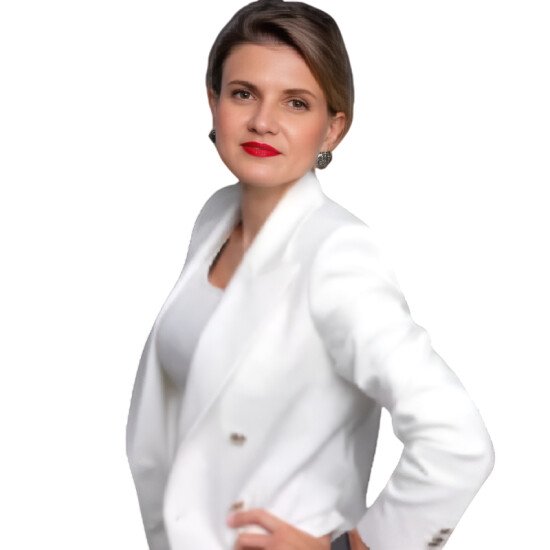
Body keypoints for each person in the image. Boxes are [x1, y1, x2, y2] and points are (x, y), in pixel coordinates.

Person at [125, 1, 495, 549]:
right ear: (213, 101)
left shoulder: (336, 256)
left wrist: (351, 548)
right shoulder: (216, 217)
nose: (262, 121)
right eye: (243, 93)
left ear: (332, 129)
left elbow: (457, 441)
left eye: (295, 103)